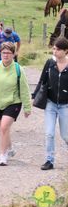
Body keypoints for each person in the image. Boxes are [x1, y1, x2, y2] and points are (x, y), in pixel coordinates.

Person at [33, 36, 68, 170]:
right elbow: (42, 80)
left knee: (66, 135)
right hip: (50, 104)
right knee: (49, 133)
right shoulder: (49, 63)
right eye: (54, 48)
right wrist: (34, 95)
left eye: (58, 49)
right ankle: (49, 160)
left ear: (66, 51)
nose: (55, 51)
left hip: (66, 105)